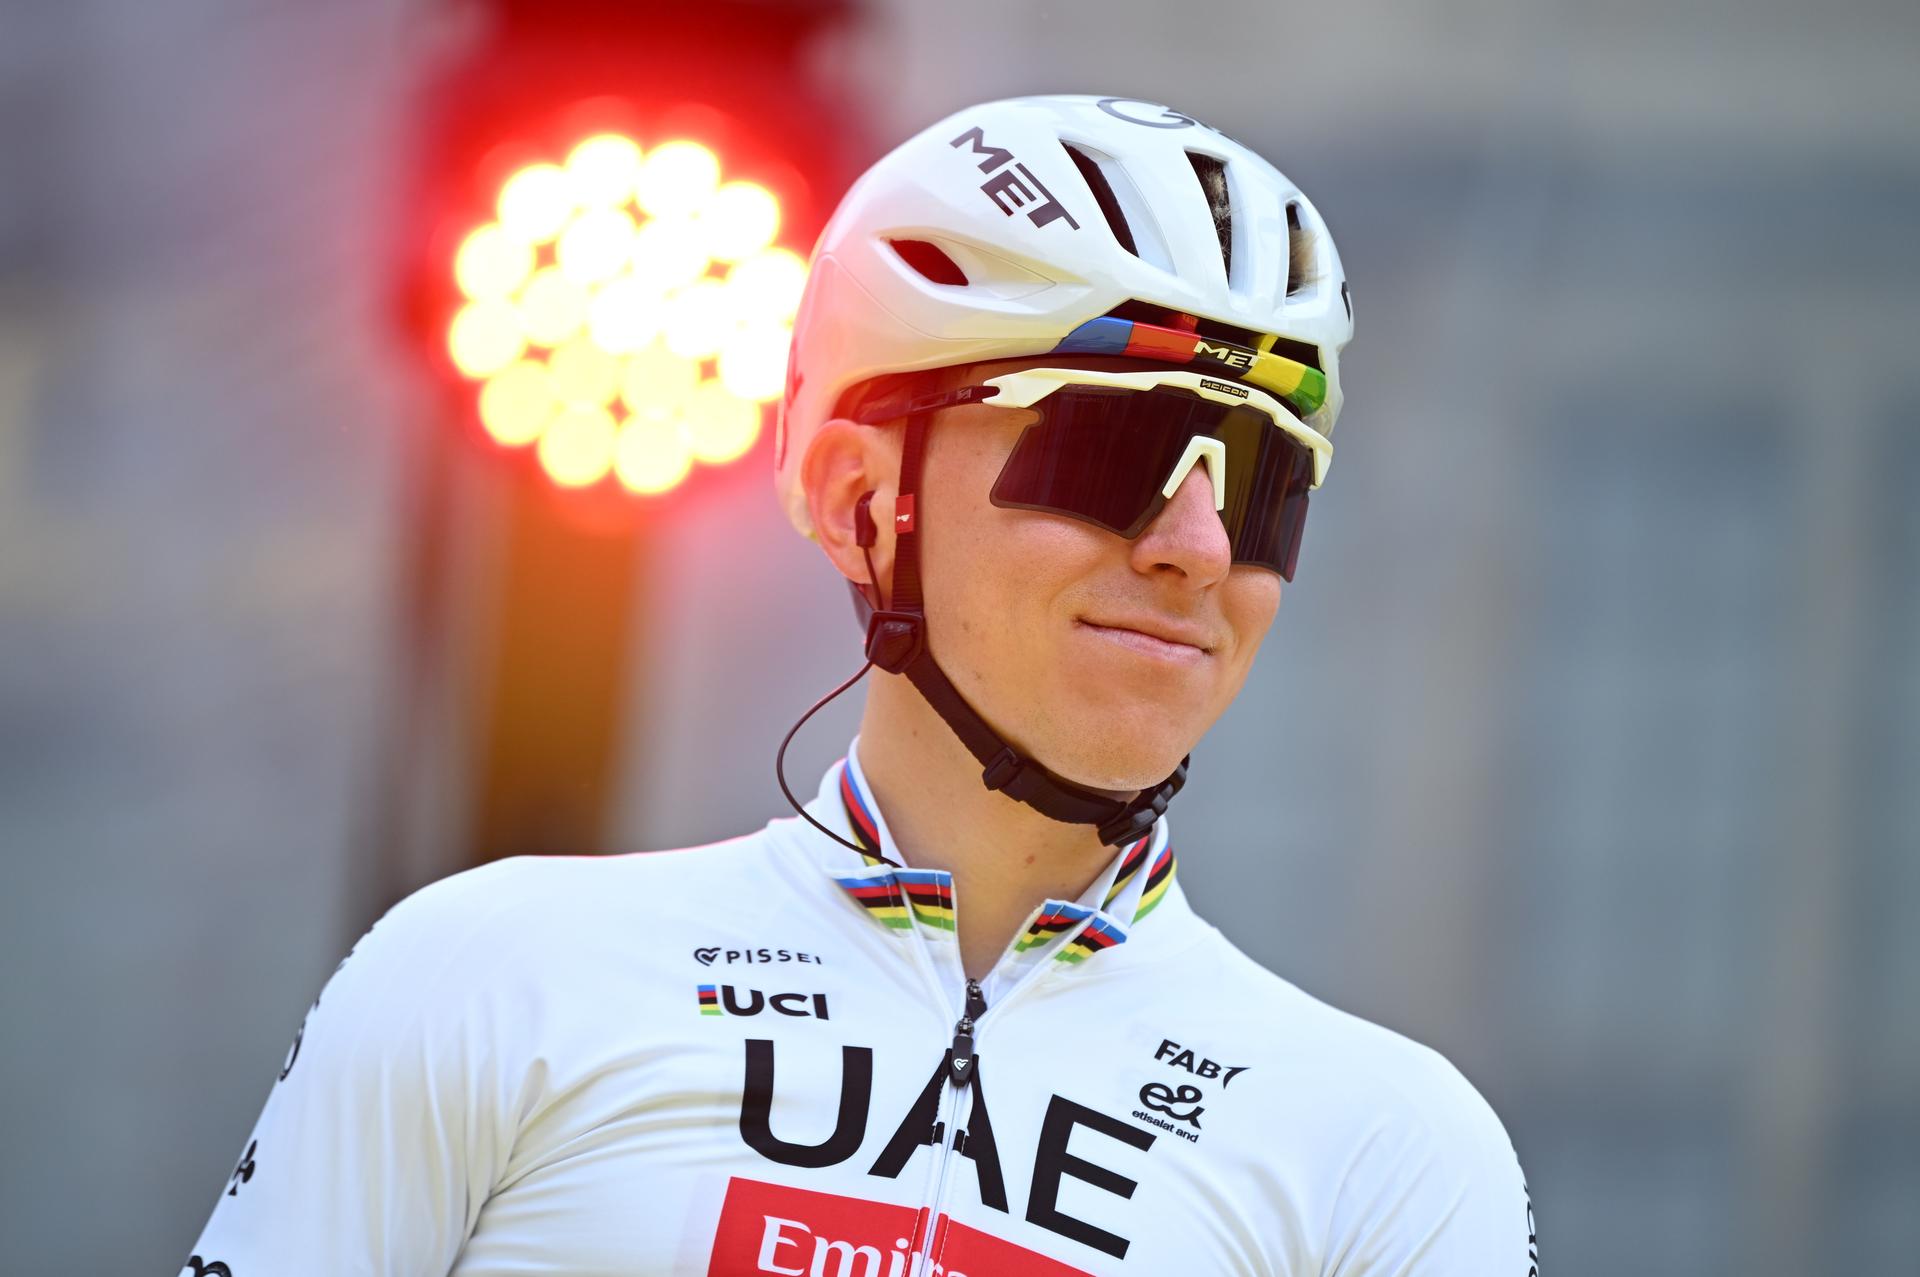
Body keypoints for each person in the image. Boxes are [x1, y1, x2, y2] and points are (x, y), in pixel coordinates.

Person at [183, 94, 1536, 1277]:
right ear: (860, 498)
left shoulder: (1392, 1154)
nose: (1193, 549)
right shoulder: (487, 972)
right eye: (1113, 448)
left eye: (1262, 486)